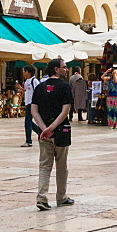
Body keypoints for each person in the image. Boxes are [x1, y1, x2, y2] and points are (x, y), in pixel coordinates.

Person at [31, 57, 75, 210]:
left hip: (44, 134)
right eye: (64, 66)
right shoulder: (64, 87)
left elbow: (33, 110)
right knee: (61, 166)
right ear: (56, 69)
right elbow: (65, 111)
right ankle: (61, 197)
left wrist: (44, 128)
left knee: (44, 166)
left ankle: (41, 197)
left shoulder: (40, 87)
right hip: (61, 131)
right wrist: (52, 128)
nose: (66, 69)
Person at [21, 65, 40, 147]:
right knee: (28, 121)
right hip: (28, 103)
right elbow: (26, 90)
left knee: (27, 121)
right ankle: (40, 132)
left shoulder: (34, 80)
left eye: (24, 71)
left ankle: (29, 140)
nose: (23, 72)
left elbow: (38, 91)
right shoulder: (27, 81)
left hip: (32, 103)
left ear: (29, 72)